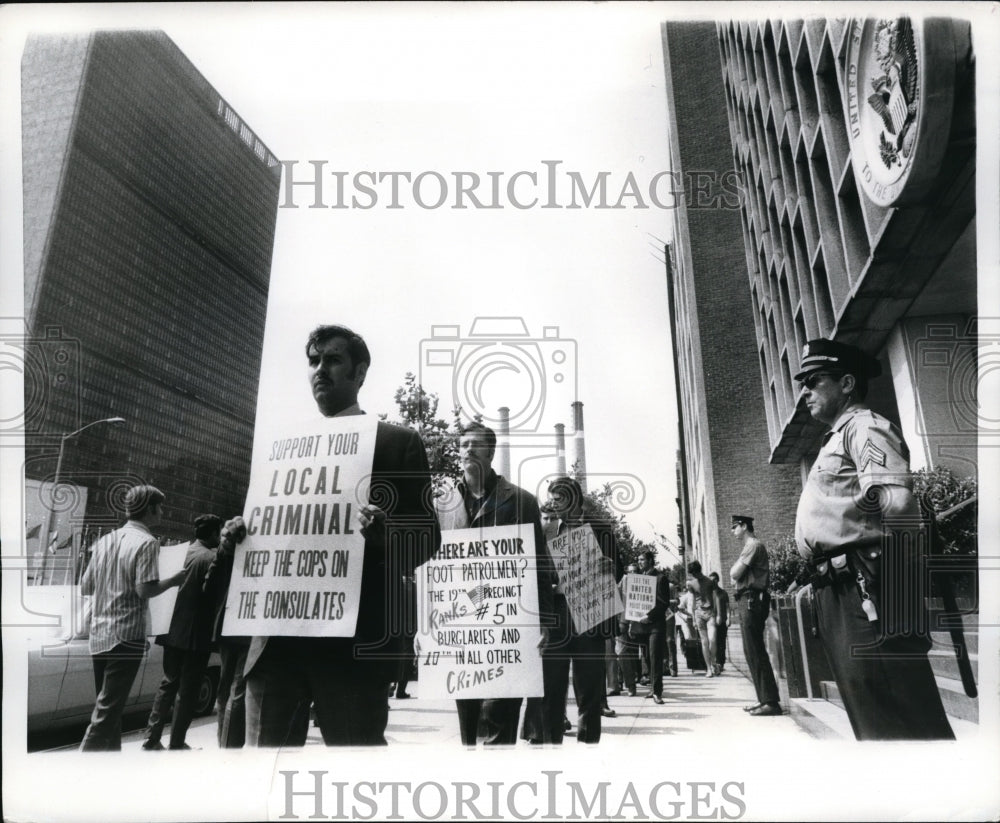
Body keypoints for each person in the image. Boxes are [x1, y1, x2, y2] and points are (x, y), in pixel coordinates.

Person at [244, 324, 439, 747]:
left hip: (352, 650)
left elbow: (427, 538)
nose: (320, 370)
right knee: (265, 777)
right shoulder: (280, 449)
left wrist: (386, 535)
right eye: (314, 361)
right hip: (276, 646)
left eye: (332, 360)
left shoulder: (395, 443)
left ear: (360, 372)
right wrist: (237, 536)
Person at [793, 338, 954, 740]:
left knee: (898, 715)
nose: (805, 392)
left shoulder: (865, 426)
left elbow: (897, 504)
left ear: (847, 383)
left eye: (814, 381)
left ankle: (942, 801)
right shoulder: (839, 435)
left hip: (868, 585)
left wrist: (896, 588)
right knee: (875, 711)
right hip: (844, 587)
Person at [435, 421, 553, 745]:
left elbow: (539, 566)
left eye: (475, 444)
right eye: (463, 444)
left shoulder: (522, 502)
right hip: (463, 628)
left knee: (497, 724)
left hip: (508, 626)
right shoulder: (442, 504)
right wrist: (424, 624)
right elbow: (430, 567)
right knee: (470, 732)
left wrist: (542, 620)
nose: (468, 449)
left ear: (491, 451)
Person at [79, 485, 185, 751]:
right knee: (106, 715)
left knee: (108, 708)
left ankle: (112, 772)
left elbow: (86, 587)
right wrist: (173, 581)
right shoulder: (148, 542)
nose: (161, 512)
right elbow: (145, 589)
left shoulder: (106, 540)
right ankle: (77, 772)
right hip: (127, 636)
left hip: (99, 635)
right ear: (149, 510)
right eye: (159, 507)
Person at [536, 476, 622, 744]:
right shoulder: (551, 529)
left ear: (573, 498)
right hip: (558, 613)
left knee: (588, 689)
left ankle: (588, 743)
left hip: (589, 612)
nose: (553, 505)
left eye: (558, 499)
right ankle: (551, 742)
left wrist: (607, 566)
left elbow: (617, 567)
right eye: (551, 499)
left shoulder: (599, 527)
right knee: (551, 686)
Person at [142, 514, 223, 749]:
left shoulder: (180, 554)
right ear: (212, 534)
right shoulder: (212, 558)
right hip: (198, 634)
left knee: (167, 684)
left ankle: (151, 737)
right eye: (218, 533)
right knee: (188, 690)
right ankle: (177, 741)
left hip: (172, 629)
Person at [202, 515, 249, 747]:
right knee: (237, 689)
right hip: (249, 626)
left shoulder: (234, 539)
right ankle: (230, 750)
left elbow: (208, 585)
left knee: (226, 689)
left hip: (229, 625)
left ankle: (225, 745)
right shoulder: (242, 537)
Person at [729, 515, 781, 716]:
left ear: (744, 526)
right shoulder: (749, 546)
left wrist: (736, 573)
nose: (733, 530)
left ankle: (770, 702)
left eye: (735, 527)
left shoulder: (752, 545)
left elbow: (734, 574)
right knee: (752, 650)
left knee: (755, 649)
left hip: (752, 600)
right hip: (748, 600)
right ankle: (764, 699)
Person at [626, 550, 670, 704]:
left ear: (651, 560)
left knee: (655, 656)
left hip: (655, 625)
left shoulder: (661, 578)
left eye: (642, 559)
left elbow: (664, 603)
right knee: (647, 658)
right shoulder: (639, 579)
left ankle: (658, 692)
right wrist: (634, 622)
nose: (639, 562)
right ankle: (652, 688)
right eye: (638, 559)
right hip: (642, 626)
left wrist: (649, 616)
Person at [685, 560, 720, 677]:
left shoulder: (710, 581)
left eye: (693, 573)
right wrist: (694, 619)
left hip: (710, 613)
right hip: (699, 613)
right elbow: (693, 602)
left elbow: (715, 598)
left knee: (713, 639)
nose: (693, 575)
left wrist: (718, 613)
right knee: (704, 642)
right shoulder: (691, 584)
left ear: (697, 570)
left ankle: (714, 662)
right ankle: (709, 668)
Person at [709, 571, 730, 674]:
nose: (712, 582)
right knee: (714, 642)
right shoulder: (708, 593)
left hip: (722, 621)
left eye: (714, 580)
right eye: (710, 580)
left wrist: (729, 618)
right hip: (712, 621)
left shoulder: (723, 593)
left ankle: (721, 663)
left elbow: (727, 606)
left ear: (717, 580)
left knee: (722, 643)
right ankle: (715, 664)